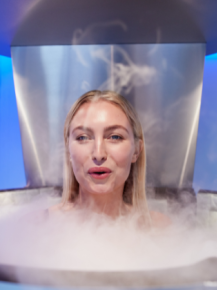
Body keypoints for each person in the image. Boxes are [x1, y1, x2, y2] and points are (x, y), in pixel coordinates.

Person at [49, 90, 170, 229]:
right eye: (83, 137)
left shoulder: (161, 228)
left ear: (136, 150)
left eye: (115, 137)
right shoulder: (39, 226)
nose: (98, 154)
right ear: (68, 150)